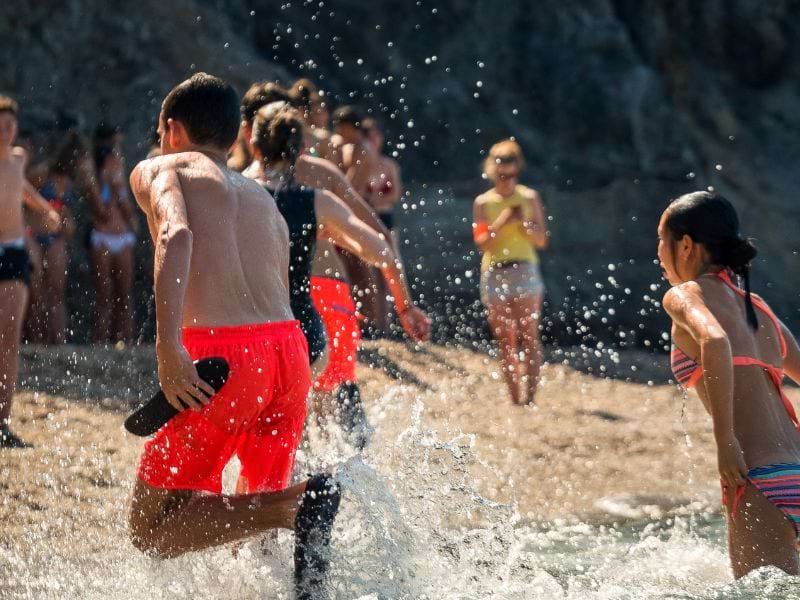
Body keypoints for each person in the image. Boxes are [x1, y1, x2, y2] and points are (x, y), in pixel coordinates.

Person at [126, 73, 340, 598]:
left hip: (224, 355)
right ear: (233, 137)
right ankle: (289, 541)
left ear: (171, 129)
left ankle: (296, 504)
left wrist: (170, 349)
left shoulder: (161, 167)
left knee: (150, 530)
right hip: (289, 352)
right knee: (252, 525)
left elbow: (176, 235)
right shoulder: (261, 197)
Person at [660, 191, 800, 578]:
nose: (658, 252)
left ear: (685, 245)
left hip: (759, 479)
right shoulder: (759, 308)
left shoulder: (683, 296)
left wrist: (726, 441)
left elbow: (716, 342)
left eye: (662, 239)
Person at [248, 104, 430, 386]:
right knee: (327, 398)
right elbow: (379, 242)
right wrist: (404, 306)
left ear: (252, 143)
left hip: (251, 324)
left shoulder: (233, 189)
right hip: (318, 306)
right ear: (302, 147)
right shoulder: (318, 195)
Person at [0, 95, 60, 448]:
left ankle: (3, 421)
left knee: (9, 338)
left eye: (10, 125)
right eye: (0, 126)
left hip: (14, 252)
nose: (6, 132)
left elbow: (18, 188)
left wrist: (44, 209)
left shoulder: (18, 159)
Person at [473, 139, 548, 405]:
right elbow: (482, 243)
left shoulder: (529, 197)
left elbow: (540, 240)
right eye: (502, 174)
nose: (507, 179)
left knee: (529, 336)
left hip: (524, 270)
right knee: (505, 341)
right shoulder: (483, 202)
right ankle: (515, 399)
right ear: (493, 171)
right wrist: (503, 221)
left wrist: (524, 223)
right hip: (494, 272)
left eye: (511, 174)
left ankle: (531, 398)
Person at [26, 152, 77, 344]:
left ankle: (58, 340)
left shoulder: (67, 184)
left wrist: (62, 216)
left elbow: (69, 226)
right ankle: (36, 341)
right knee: (35, 292)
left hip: (55, 237)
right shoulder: (41, 173)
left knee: (56, 293)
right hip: (33, 233)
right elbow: (22, 197)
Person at [89, 144, 137, 343]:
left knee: (124, 292)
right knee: (104, 292)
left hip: (122, 238)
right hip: (103, 238)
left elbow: (130, 217)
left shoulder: (122, 185)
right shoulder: (95, 184)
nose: (118, 164)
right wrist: (111, 188)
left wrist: (120, 190)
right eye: (113, 160)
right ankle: (101, 339)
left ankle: (125, 338)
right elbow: (103, 213)